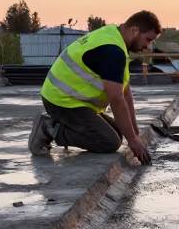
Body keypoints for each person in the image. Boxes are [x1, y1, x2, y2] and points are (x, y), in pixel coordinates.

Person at [28, 11, 162, 163]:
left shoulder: (114, 36)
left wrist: (135, 135)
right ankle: (49, 129)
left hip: (76, 101)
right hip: (61, 101)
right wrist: (133, 142)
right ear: (135, 30)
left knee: (119, 132)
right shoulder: (112, 50)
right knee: (108, 141)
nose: (148, 47)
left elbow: (125, 93)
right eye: (148, 40)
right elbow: (116, 98)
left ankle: (60, 126)